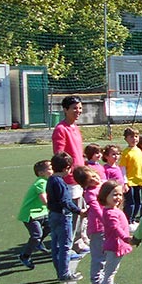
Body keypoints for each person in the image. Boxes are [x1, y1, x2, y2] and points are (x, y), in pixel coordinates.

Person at [52, 96, 85, 247]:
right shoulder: (61, 129)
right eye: (74, 108)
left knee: (81, 210)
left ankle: (79, 238)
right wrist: (68, 172)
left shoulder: (75, 127)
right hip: (70, 178)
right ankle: (69, 244)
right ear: (65, 110)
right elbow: (59, 155)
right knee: (72, 213)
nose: (78, 111)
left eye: (79, 107)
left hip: (81, 176)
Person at [47, 152, 83, 282]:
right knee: (65, 246)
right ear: (65, 168)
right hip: (62, 216)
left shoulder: (51, 179)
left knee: (56, 245)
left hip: (53, 215)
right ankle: (64, 273)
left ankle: (60, 271)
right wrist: (79, 211)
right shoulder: (60, 182)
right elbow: (65, 202)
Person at [98, 179, 134, 284]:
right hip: (115, 246)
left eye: (119, 194)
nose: (118, 197)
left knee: (111, 272)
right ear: (104, 196)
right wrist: (126, 237)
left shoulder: (114, 209)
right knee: (109, 274)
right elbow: (115, 227)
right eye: (114, 194)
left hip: (117, 245)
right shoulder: (110, 212)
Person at [72, 165, 105, 284]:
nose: (95, 179)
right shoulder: (90, 193)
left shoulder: (100, 186)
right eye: (90, 180)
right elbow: (97, 209)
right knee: (98, 256)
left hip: (104, 226)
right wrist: (106, 221)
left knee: (105, 255)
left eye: (94, 175)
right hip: (98, 228)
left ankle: (101, 280)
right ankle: (96, 283)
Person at [17, 160, 52, 269]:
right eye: (50, 168)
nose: (53, 170)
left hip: (42, 212)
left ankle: (38, 243)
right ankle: (24, 256)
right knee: (36, 235)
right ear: (41, 173)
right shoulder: (41, 182)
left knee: (50, 226)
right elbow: (44, 199)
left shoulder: (48, 181)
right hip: (31, 214)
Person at [119, 127, 142, 227]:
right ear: (126, 139)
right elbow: (123, 168)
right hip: (129, 182)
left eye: (136, 136)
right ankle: (127, 220)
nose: (134, 139)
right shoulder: (126, 153)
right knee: (130, 203)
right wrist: (124, 182)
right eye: (131, 137)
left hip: (138, 180)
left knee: (138, 202)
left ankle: (133, 219)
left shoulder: (139, 150)